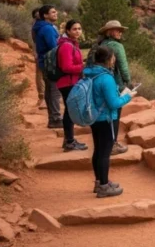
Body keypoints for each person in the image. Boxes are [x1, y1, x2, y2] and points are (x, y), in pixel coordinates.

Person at [85, 46, 133, 198]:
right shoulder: (106, 78)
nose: (114, 60)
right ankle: (104, 187)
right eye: (113, 58)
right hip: (106, 118)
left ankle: (100, 182)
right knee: (104, 153)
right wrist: (128, 96)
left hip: (94, 117)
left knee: (98, 150)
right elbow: (113, 103)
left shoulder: (90, 74)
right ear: (108, 59)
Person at [89, 20, 131, 155]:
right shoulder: (117, 46)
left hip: (96, 81)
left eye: (120, 30)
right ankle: (112, 144)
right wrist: (128, 83)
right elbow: (124, 68)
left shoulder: (99, 45)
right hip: (114, 83)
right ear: (109, 32)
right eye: (117, 30)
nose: (120, 32)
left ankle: (102, 144)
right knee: (114, 114)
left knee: (101, 113)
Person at [55, 20, 88, 152]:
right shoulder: (67, 46)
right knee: (70, 112)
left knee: (70, 111)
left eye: (79, 29)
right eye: (74, 29)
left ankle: (69, 140)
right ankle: (69, 142)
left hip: (71, 82)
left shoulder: (72, 44)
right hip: (67, 83)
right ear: (67, 31)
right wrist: (83, 67)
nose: (78, 31)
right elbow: (66, 67)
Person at [31, 5, 62, 128]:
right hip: (51, 64)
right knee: (54, 91)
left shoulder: (41, 27)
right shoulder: (48, 29)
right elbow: (53, 46)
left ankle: (52, 119)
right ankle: (56, 118)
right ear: (45, 15)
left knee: (50, 91)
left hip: (45, 63)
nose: (56, 13)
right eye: (53, 12)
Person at [32, 9, 47, 111]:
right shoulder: (40, 27)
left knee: (41, 74)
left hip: (40, 52)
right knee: (41, 74)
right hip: (42, 53)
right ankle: (43, 98)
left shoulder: (37, 26)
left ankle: (43, 97)